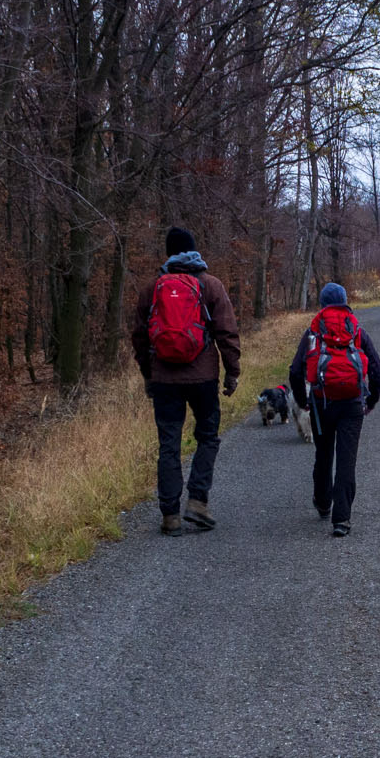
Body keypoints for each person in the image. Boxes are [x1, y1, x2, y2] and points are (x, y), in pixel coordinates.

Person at [131, 227, 241, 535]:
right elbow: (227, 334)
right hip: (204, 378)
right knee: (207, 437)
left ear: (168, 253)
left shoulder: (152, 288)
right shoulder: (211, 285)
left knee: (169, 444)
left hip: (165, 378)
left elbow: (139, 337)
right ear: (194, 250)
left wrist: (148, 374)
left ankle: (170, 516)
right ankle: (197, 502)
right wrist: (232, 372)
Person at [289, 282, 380, 537]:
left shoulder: (312, 333)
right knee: (346, 460)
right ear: (345, 303)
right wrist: (371, 400)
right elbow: (377, 370)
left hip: (321, 402)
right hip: (352, 404)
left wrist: (303, 401)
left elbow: (296, 371)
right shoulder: (356, 330)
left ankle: (322, 503)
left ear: (322, 305)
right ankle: (342, 520)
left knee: (323, 454)